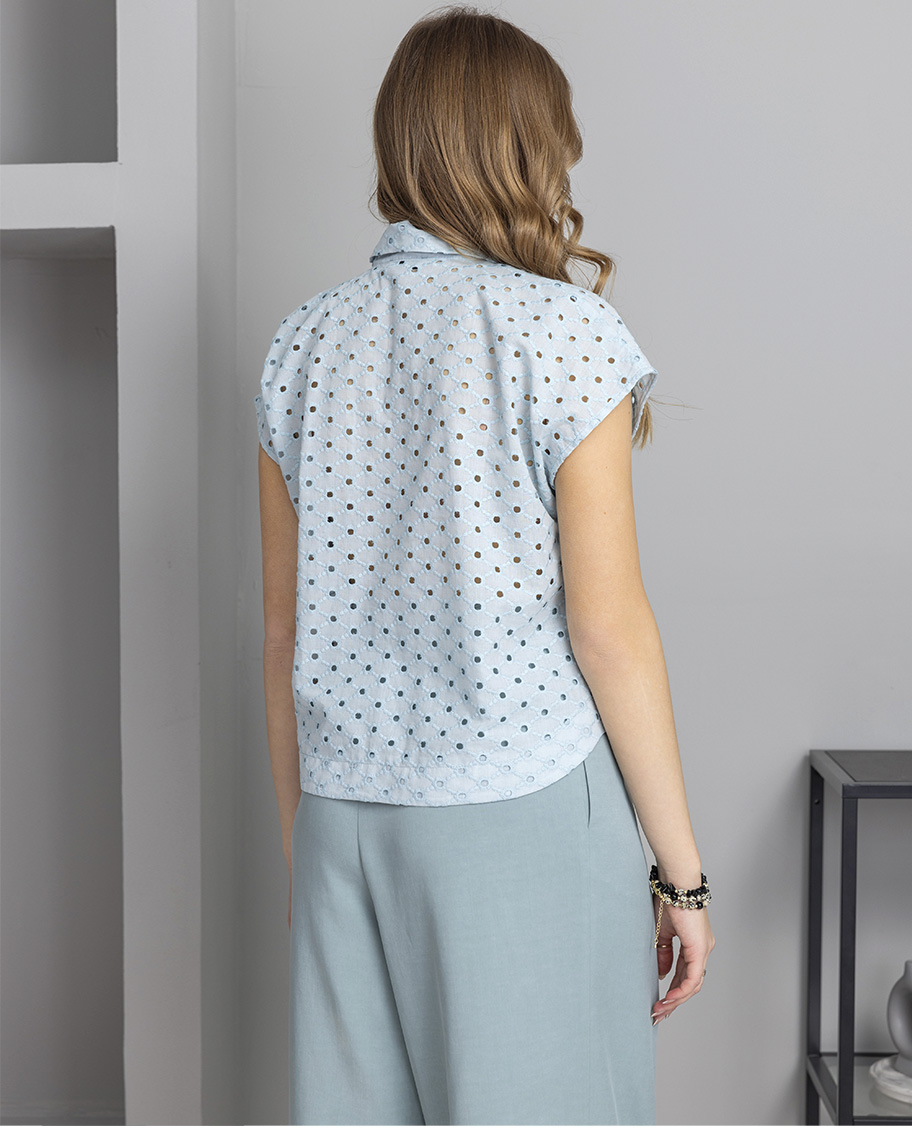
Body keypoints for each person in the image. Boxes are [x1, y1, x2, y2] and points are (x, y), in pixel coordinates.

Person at [255, 4, 714, 1126]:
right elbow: (609, 628)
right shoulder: (563, 330)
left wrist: (304, 844)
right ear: (526, 148)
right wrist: (682, 874)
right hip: (522, 800)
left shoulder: (301, 342)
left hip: (341, 814)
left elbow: (282, 631)